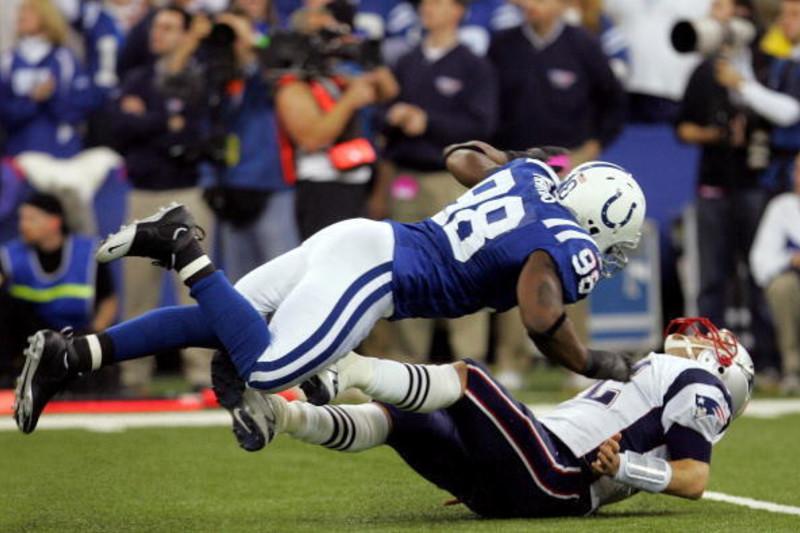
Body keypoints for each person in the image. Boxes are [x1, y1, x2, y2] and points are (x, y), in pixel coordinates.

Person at [13, 141, 646, 436]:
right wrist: (595, 361)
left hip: (362, 239)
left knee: (221, 320)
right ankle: (181, 243)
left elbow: (459, 157)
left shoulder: (534, 177)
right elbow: (540, 316)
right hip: (379, 271)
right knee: (267, 367)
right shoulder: (566, 244)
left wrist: (515, 166)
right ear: (598, 220)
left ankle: (72, 355)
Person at [209, 316, 754, 519]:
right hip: (531, 470)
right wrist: (490, 456)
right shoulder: (660, 375)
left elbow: (694, 479)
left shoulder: (700, 386)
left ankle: (343, 369)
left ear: (722, 366)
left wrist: (628, 467)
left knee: (466, 377)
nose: (686, 338)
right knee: (408, 413)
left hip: (559, 479)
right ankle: (285, 417)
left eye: (704, 341)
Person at [380, 0, 498, 364]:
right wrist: (393, 116)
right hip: (407, 177)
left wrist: (427, 121)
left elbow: (483, 126)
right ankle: (407, 361)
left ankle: (470, 360)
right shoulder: (406, 61)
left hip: (452, 180)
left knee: (465, 268)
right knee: (406, 269)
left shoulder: (473, 66)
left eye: (437, 2)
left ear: (458, 10)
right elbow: (382, 121)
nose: (427, 8)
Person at [107, 5, 215, 396]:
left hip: (186, 193)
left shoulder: (198, 79)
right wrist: (164, 123)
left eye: (170, 27)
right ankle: (134, 377)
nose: (159, 34)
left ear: (187, 35)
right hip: (143, 193)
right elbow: (118, 128)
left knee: (197, 288)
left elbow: (196, 136)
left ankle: (202, 373)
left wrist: (150, 124)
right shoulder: (137, 77)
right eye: (157, 26)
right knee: (138, 291)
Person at [488, 0, 627, 169]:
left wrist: (598, 142)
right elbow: (487, 100)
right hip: (512, 155)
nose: (531, 5)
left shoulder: (584, 43)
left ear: (563, 4)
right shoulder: (501, 44)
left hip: (566, 156)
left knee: (564, 194)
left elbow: (612, 97)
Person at [0, 193, 117, 387]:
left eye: (31, 219)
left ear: (54, 222)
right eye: (22, 218)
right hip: (31, 337)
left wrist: (93, 342)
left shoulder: (88, 253)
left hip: (75, 335)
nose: (23, 225)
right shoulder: (10, 255)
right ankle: (6, 376)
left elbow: (109, 301)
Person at [0, 0, 93, 158]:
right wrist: (32, 100)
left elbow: (78, 108)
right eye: (21, 13)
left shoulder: (65, 59)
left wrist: (51, 96)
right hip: (18, 150)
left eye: (30, 11)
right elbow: (4, 111)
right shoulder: (8, 60)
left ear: (47, 17)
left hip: (59, 150)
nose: (22, 16)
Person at [750, 151, 800, 394]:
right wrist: (791, 259)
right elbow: (760, 262)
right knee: (782, 286)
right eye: (798, 170)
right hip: (794, 288)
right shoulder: (782, 208)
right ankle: (793, 370)